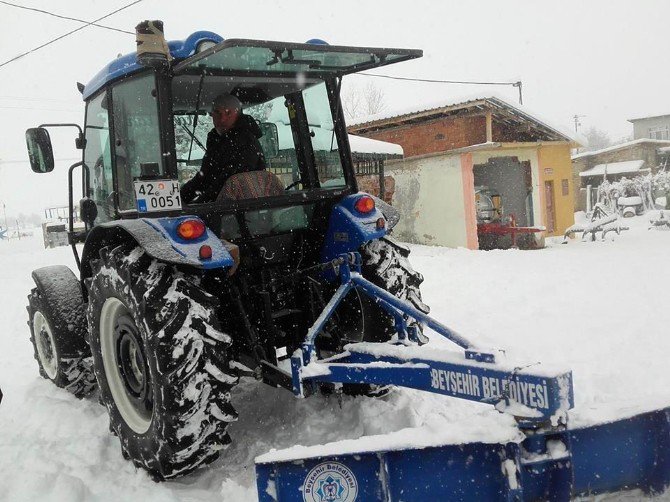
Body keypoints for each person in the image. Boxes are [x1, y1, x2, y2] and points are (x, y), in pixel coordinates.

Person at [181, 94, 266, 204]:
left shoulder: (246, 142)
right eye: (217, 113)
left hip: (240, 210)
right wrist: (179, 199)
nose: (222, 118)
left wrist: (197, 206)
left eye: (228, 113)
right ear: (211, 114)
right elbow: (204, 178)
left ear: (238, 113)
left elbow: (228, 184)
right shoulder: (218, 140)